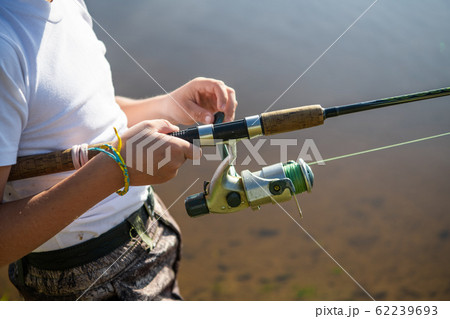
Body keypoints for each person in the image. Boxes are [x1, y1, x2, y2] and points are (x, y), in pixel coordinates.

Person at [0, 0, 237, 300]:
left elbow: (88, 115)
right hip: (90, 279)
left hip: (150, 235)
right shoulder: (5, 45)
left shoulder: (69, 5)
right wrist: (117, 170)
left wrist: (170, 106)